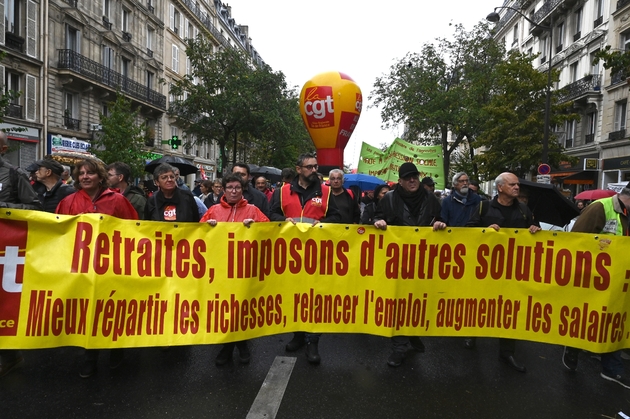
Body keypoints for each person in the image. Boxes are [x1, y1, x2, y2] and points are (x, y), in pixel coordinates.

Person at [56, 159, 138, 378]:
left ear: (100, 176)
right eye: (81, 173)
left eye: (90, 173)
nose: (85, 176)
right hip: (83, 269)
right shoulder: (68, 202)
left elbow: (134, 230)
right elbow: (58, 234)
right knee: (88, 314)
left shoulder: (118, 201)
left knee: (114, 310)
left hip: (113, 267)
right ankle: (89, 357)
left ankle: (116, 350)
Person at [466, 172, 541, 373]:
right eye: (513, 184)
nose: (517, 187)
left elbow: (536, 232)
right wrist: (485, 231)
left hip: (513, 271)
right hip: (486, 269)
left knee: (510, 310)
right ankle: (471, 332)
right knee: (481, 303)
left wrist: (535, 228)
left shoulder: (524, 210)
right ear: (500, 188)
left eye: (517, 185)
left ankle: (507, 352)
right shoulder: (484, 207)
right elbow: (467, 232)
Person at [269, 153, 341, 364]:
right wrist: (284, 220)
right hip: (290, 258)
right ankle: (298, 335)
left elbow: (336, 217)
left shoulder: (326, 192)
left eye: (315, 166)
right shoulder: (281, 192)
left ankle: (313, 341)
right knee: (294, 298)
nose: (313, 170)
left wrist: (321, 225)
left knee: (314, 300)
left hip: (316, 257)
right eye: (309, 167)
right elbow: (270, 214)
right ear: (298, 169)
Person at [373, 162, 446, 367]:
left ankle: (413, 334)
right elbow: (377, 217)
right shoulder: (389, 199)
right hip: (397, 262)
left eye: (414, 176)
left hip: (423, 261)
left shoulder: (430, 198)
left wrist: (440, 224)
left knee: (418, 302)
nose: (412, 180)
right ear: (401, 181)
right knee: (398, 304)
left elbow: (439, 219)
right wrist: (378, 222)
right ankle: (399, 348)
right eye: (407, 178)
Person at [561, 187, 630, 389]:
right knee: (587, 319)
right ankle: (572, 347)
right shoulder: (600, 208)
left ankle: (611, 369)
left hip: (618, 279)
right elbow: (576, 241)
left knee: (613, 320)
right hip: (593, 278)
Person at [200, 174, 269, 366]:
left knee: (242, 309)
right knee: (225, 310)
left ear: (243, 190)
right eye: (229, 187)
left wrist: (256, 227)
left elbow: (270, 233)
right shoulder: (213, 210)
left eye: (237, 188)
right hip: (220, 270)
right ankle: (231, 345)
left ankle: (238, 345)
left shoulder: (253, 210)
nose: (233, 191)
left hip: (245, 270)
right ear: (223, 189)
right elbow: (197, 237)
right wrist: (206, 227)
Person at [0, 131, 43, 378]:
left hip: (6, 251)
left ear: (3, 149)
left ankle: (10, 356)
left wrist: (4, 208)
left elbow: (34, 208)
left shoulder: (14, 175)